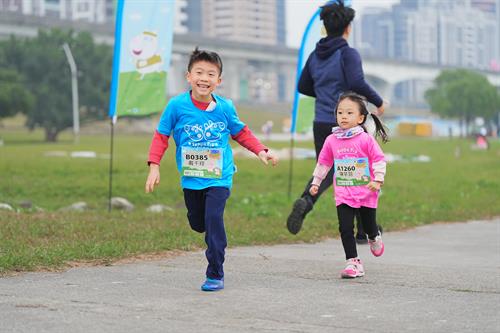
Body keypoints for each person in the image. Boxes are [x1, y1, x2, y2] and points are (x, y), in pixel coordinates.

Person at [145, 48, 278, 292]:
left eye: (210, 74)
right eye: (199, 73)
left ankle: (215, 272)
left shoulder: (225, 108)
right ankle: (208, 229)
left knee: (214, 220)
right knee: (198, 222)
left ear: (219, 81)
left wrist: (261, 150)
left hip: (219, 177)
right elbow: (161, 136)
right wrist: (154, 166)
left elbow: (240, 132)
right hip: (191, 179)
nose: (204, 78)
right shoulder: (176, 106)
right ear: (188, 76)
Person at [287, 1, 385, 239]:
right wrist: (378, 102)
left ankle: (306, 200)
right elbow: (356, 82)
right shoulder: (347, 53)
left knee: (328, 169)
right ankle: (363, 230)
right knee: (360, 173)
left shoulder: (315, 56)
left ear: (325, 27)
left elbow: (303, 86)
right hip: (351, 123)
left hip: (322, 122)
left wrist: (324, 93)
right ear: (347, 28)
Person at [309, 91, 387, 278]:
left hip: (366, 191)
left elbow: (379, 159)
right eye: (340, 112)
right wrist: (316, 182)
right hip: (343, 192)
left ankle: (374, 236)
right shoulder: (332, 140)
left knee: (368, 226)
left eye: (349, 113)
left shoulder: (365, 139)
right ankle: (353, 262)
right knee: (345, 227)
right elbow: (324, 163)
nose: (343, 116)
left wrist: (377, 180)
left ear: (361, 118)